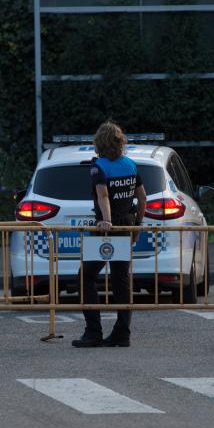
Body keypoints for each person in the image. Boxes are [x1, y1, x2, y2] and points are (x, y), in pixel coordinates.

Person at [73, 121, 146, 348]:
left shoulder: (99, 166)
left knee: (85, 276)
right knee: (120, 279)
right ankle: (122, 334)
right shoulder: (131, 165)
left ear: (99, 143)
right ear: (120, 141)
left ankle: (93, 332)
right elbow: (143, 198)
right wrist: (137, 225)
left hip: (108, 227)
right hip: (127, 225)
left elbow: (103, 195)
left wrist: (107, 221)